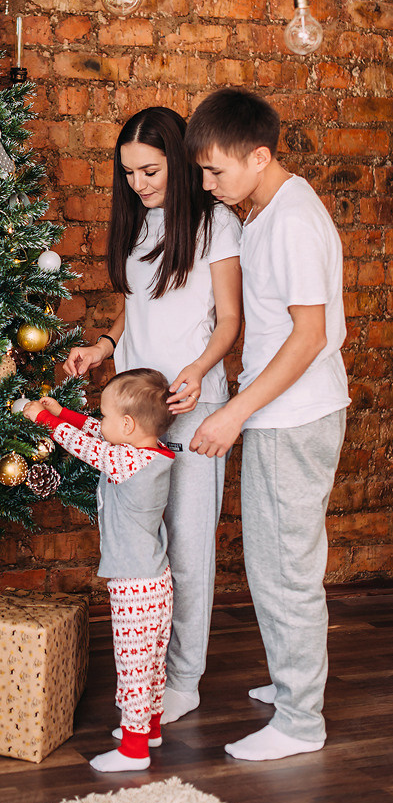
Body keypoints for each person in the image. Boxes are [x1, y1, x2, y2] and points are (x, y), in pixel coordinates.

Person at [184, 87, 349, 762]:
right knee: (273, 561)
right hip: (282, 414)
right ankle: (292, 683)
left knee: (283, 568)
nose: (206, 183)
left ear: (258, 157)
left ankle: (300, 720)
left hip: (292, 416)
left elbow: (308, 337)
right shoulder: (268, 210)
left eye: (215, 170)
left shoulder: (291, 222)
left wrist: (233, 411)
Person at [64, 107, 242, 725]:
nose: (139, 183)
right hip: (136, 416)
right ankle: (145, 670)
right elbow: (135, 310)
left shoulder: (216, 222)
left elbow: (228, 321)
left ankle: (184, 679)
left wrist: (197, 371)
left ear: (180, 161)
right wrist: (105, 346)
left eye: (150, 170)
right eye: (130, 174)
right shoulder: (140, 225)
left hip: (193, 408)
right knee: (140, 547)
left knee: (189, 547)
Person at [23, 368, 176, 772]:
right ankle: (150, 729)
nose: (100, 421)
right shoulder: (148, 451)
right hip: (155, 578)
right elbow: (95, 431)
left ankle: (133, 751)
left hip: (134, 583)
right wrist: (67, 413)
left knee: (132, 664)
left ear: (127, 424)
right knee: (152, 660)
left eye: (106, 415)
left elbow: (85, 447)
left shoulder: (127, 460)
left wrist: (40, 416)